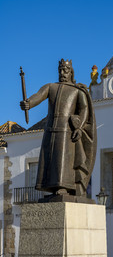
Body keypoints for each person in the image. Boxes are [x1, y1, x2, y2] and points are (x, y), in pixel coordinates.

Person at [20, 59, 97, 198]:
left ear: (71, 72)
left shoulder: (77, 91)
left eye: (65, 70)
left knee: (62, 160)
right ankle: (51, 186)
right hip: (50, 130)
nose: (62, 73)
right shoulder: (51, 87)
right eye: (60, 70)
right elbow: (39, 95)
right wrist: (29, 103)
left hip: (66, 131)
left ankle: (63, 186)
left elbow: (84, 109)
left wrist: (79, 127)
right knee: (49, 159)